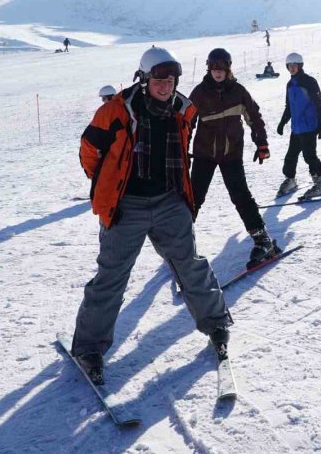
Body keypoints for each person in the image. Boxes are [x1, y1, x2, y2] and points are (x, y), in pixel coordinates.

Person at [72, 46, 233, 385]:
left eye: (171, 80)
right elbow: (89, 151)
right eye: (159, 80)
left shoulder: (183, 110)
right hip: (126, 206)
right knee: (112, 277)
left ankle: (216, 323)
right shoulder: (115, 111)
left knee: (190, 265)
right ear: (144, 80)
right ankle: (89, 348)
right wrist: (107, 184)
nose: (165, 86)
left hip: (169, 201)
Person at [188, 48, 279, 267]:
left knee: (241, 195)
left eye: (221, 68)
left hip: (231, 154)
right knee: (193, 197)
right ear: (208, 69)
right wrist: (181, 151)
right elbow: (186, 124)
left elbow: (254, 117)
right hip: (204, 154)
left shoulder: (238, 92)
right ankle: (180, 241)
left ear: (228, 69)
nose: (217, 72)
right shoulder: (200, 93)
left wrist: (262, 143)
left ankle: (262, 239)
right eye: (213, 68)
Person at [276, 52, 321, 198]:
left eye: (295, 65)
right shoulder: (289, 85)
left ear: (300, 66)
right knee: (290, 156)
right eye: (289, 66)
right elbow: (289, 107)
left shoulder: (309, 82)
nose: (292, 68)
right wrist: (282, 123)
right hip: (296, 128)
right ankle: (291, 180)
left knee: (309, 156)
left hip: (309, 127)